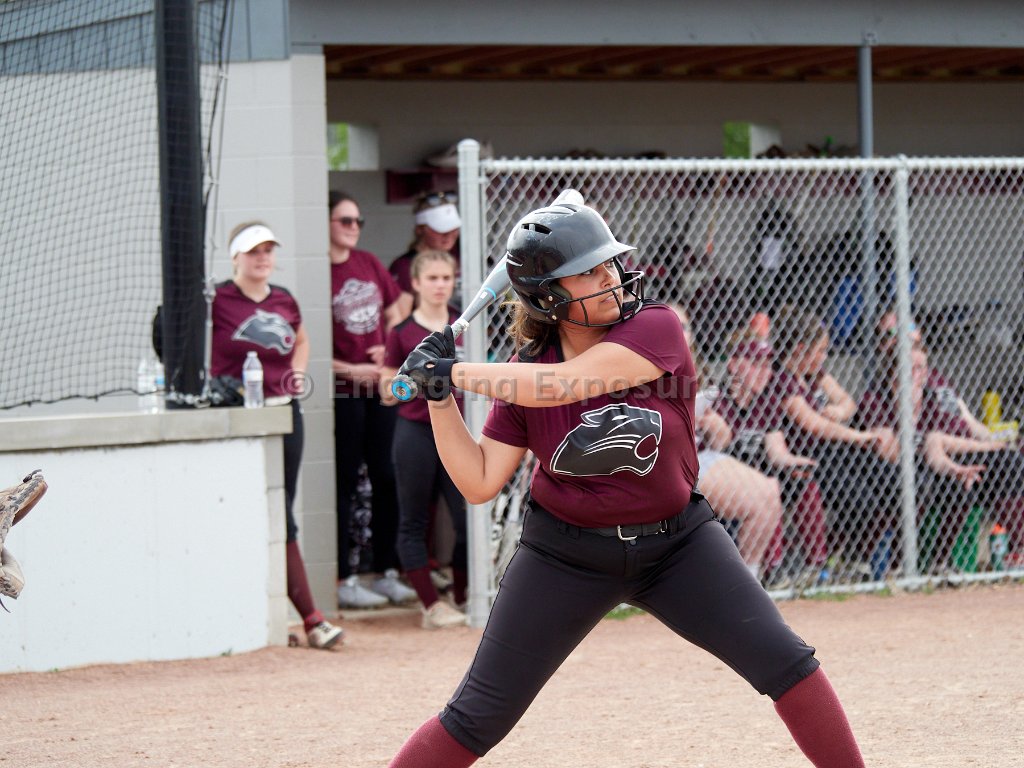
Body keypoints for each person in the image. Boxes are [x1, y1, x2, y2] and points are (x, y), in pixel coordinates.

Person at [387, 201, 865, 767]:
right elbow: (479, 481)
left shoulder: (654, 327)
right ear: (548, 296)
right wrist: (439, 396)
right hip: (563, 556)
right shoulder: (523, 369)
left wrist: (454, 371)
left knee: (786, 663)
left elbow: (567, 384)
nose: (610, 278)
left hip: (678, 544)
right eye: (589, 273)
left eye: (609, 265)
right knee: (477, 715)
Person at [211, 222, 343, 650]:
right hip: (237, 418)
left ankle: (306, 619)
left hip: (283, 412)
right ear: (235, 257)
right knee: (246, 512)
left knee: (281, 509)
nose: (262, 258)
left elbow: (300, 341)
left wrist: (296, 375)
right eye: (253, 251)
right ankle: (302, 618)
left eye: (268, 250)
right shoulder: (217, 299)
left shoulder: (283, 298)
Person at [328, 190, 416, 609]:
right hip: (343, 392)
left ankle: (385, 572)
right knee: (345, 481)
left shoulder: (367, 262)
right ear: (326, 223)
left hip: (380, 386)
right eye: (345, 220)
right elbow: (310, 347)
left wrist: (388, 347)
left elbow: (398, 309)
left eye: (357, 221)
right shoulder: (319, 271)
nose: (354, 228)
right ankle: (344, 578)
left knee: (386, 476)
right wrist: (350, 369)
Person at [771, 305, 902, 574]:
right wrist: (858, 436)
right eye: (820, 350)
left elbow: (848, 402)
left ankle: (856, 555)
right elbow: (815, 425)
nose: (824, 356)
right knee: (862, 500)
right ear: (800, 350)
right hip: (809, 457)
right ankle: (837, 557)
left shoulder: (815, 373)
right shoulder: (782, 379)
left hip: (835, 451)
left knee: (891, 481)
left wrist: (837, 412)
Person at [380, 249, 469, 629]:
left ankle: (464, 597)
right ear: (415, 283)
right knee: (414, 519)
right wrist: (410, 382)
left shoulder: (463, 325)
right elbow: (387, 392)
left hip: (458, 430)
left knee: (468, 517)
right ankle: (432, 606)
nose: (440, 285)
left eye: (446, 278)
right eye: (432, 278)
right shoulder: (402, 333)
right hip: (416, 432)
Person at [668, 305, 783, 579]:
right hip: (659, 463)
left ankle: (748, 581)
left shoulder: (696, 372)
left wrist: (714, 426)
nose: (678, 331)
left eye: (684, 326)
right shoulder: (638, 370)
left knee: (769, 492)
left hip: (696, 458)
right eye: (670, 324)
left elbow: (719, 442)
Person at [389, 191, 462, 318]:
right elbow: (400, 318)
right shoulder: (404, 266)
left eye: (454, 228)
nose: (449, 235)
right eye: (441, 229)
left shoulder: (461, 256)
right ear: (420, 230)